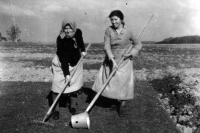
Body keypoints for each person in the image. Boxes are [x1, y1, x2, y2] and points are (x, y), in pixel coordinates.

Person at [92, 10, 142, 117]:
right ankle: (115, 103)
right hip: (111, 59)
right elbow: (107, 46)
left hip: (125, 60)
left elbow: (138, 44)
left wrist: (130, 54)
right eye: (112, 20)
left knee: (123, 82)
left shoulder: (129, 31)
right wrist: (112, 59)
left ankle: (122, 104)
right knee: (112, 82)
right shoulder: (108, 30)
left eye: (116, 19)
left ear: (121, 19)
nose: (114, 22)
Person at [49, 19, 86, 120]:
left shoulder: (78, 32)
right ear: (63, 28)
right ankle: (56, 110)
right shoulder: (60, 39)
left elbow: (80, 41)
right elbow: (63, 58)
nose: (68, 31)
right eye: (65, 28)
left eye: (70, 28)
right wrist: (66, 74)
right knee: (56, 86)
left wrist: (82, 50)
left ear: (74, 28)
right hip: (62, 64)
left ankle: (73, 107)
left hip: (75, 63)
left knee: (74, 86)